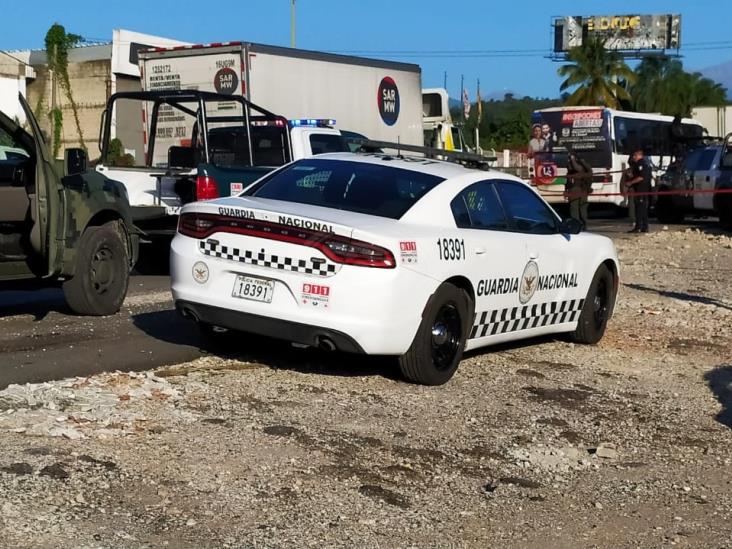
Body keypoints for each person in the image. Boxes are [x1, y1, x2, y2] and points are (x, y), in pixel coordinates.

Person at [625, 148, 652, 233]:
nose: (633, 157)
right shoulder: (642, 164)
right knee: (643, 208)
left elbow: (641, 177)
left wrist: (630, 182)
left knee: (640, 209)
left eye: (634, 155)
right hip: (643, 189)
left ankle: (638, 227)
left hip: (641, 189)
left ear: (639, 155)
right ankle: (645, 226)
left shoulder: (641, 164)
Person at [565, 150, 593, 228]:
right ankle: (577, 225)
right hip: (574, 190)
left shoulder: (582, 167)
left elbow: (577, 168)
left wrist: (573, 158)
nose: (569, 159)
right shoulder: (570, 171)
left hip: (581, 190)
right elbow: (567, 183)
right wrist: (566, 191)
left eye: (570, 157)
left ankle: (583, 224)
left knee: (582, 208)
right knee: (574, 208)